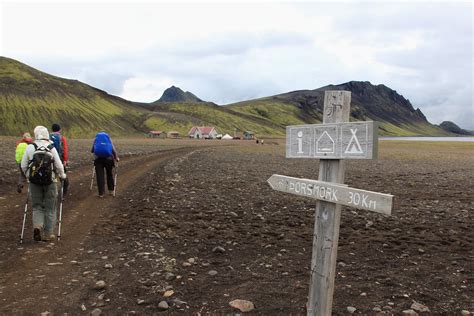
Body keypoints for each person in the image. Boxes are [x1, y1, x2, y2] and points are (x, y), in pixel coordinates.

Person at [21, 126, 66, 242]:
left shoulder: (30, 147)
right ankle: (48, 234)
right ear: (47, 135)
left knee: (37, 206)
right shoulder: (51, 147)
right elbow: (59, 165)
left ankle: (37, 226)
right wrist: (62, 176)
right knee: (50, 208)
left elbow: (23, 165)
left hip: (34, 182)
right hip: (50, 182)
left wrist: (29, 176)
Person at [91, 131, 119, 198]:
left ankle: (101, 193)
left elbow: (92, 150)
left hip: (98, 160)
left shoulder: (96, 139)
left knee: (100, 176)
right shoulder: (108, 139)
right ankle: (111, 190)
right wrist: (116, 157)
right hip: (108, 159)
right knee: (109, 174)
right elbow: (113, 149)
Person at [50, 123, 69, 196]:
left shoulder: (48, 137)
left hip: (49, 159)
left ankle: (52, 192)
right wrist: (65, 160)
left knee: (51, 175)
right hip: (59, 159)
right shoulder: (62, 138)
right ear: (60, 129)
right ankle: (63, 192)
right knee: (62, 175)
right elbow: (64, 149)